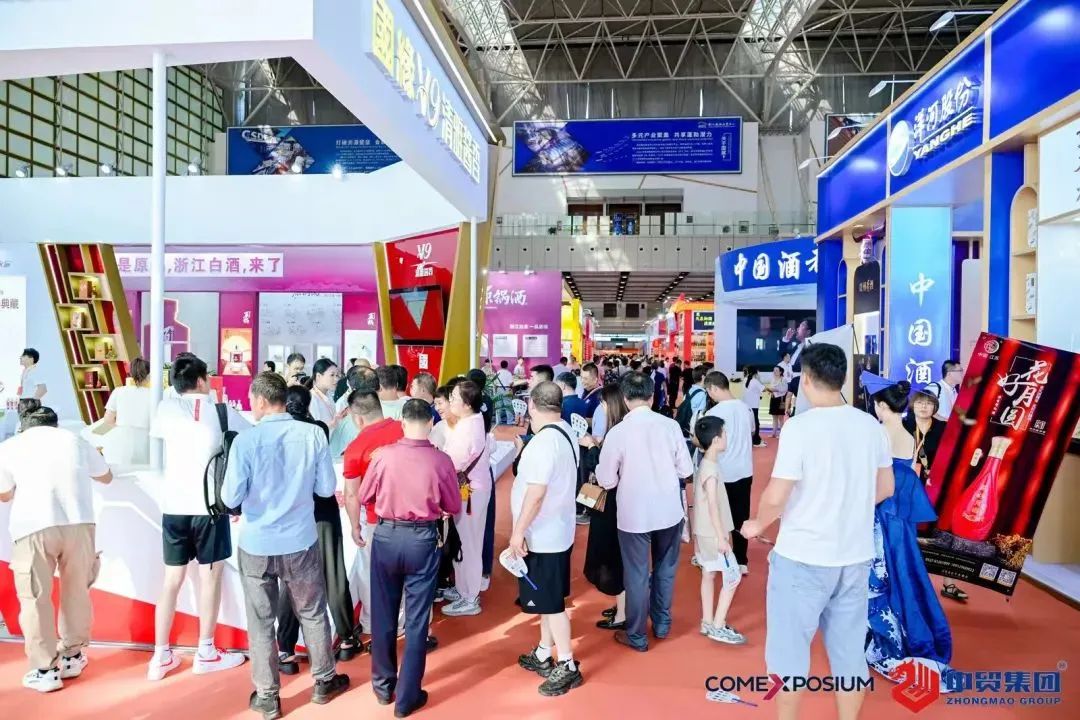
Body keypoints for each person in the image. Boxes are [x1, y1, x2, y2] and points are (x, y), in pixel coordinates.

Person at [740, 344, 894, 720]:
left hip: (802, 557)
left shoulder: (800, 427)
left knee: (789, 654)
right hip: (854, 556)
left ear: (806, 379)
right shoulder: (871, 427)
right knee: (849, 653)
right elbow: (886, 487)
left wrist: (758, 524)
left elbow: (777, 493)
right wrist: (847, 505)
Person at [222, 372, 350, 718]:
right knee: (312, 612)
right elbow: (326, 489)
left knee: (261, 621)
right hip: (300, 540)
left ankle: (267, 697)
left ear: (262, 400)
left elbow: (230, 497)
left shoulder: (245, 441)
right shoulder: (312, 434)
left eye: (252, 399)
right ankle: (324, 680)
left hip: (257, 544)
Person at [147, 355, 248, 681]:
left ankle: (160, 656)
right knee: (210, 579)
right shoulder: (221, 411)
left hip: (174, 508)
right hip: (210, 508)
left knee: (171, 581)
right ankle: (206, 651)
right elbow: (250, 436)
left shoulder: (165, 408)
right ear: (203, 380)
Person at [359, 399, 462, 717]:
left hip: (387, 536)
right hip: (422, 540)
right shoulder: (441, 460)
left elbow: (364, 496)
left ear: (402, 423)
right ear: (431, 424)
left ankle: (382, 686)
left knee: (383, 613)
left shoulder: (383, 456)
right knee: (417, 620)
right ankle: (407, 697)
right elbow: (453, 505)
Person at [0, 407, 112, 692]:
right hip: (79, 523)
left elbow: (4, 493)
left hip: (33, 527)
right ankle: (73, 656)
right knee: (76, 591)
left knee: (35, 597)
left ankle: (45, 671)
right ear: (55, 424)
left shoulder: (11, 446)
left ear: (24, 426)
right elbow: (106, 476)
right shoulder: (76, 440)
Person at [863, 376, 954, 682]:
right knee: (904, 573)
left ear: (880, 405)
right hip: (900, 515)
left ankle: (886, 641)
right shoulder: (908, 434)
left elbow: (879, 482)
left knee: (880, 576)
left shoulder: (878, 434)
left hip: (880, 510)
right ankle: (904, 632)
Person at [596, 372, 694, 652]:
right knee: (665, 569)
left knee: (636, 574)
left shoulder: (618, 433)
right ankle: (662, 624)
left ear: (625, 399)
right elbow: (686, 470)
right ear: (652, 397)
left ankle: (637, 635)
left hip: (634, 514)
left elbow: (606, 480)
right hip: (669, 512)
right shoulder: (670, 426)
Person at [276, 386, 360, 676]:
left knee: (290, 578)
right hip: (321, 509)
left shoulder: (272, 433)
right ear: (308, 404)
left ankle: (286, 649)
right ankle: (346, 638)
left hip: (289, 513)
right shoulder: (318, 430)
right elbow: (325, 483)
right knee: (333, 571)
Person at [512, 382, 584, 696]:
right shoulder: (566, 432)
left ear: (531, 405)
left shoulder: (543, 443)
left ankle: (567, 663)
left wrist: (517, 532)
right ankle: (544, 651)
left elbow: (536, 494)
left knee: (553, 604)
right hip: (558, 530)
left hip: (543, 535)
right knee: (547, 598)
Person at [342, 390, 405, 644]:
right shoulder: (405, 429)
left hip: (376, 519)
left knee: (372, 574)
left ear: (357, 417)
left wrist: (354, 526)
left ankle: (373, 621)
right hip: (412, 518)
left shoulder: (355, 448)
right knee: (405, 572)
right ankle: (402, 621)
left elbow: (351, 494)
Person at [692, 416, 745, 645]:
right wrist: (722, 537)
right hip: (714, 534)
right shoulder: (711, 469)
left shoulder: (705, 463)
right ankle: (718, 625)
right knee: (733, 576)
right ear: (715, 439)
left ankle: (707, 621)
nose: (727, 437)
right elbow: (713, 505)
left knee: (708, 573)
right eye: (724, 433)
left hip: (703, 531)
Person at [441, 381, 492, 617]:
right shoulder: (472, 420)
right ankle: (464, 588)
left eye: (453, 397)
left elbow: (452, 463)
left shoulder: (467, 428)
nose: (450, 401)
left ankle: (470, 597)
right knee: (465, 541)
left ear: (467, 403)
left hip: (469, 492)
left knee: (468, 544)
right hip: (471, 489)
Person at [581, 385, 629, 628]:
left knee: (613, 555)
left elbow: (605, 474)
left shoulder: (616, 433)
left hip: (612, 503)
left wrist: (592, 448)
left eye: (603, 404)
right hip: (621, 501)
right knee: (619, 554)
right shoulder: (624, 430)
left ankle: (623, 614)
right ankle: (622, 607)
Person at [703, 371, 754, 574]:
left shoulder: (714, 413)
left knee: (719, 516)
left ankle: (720, 558)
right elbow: (752, 431)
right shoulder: (745, 408)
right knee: (741, 516)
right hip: (745, 469)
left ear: (714, 388)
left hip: (722, 472)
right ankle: (741, 561)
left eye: (709, 391)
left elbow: (706, 443)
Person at [99, 356, 153, 465]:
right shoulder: (154, 395)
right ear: (149, 374)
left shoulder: (118, 391)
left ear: (130, 373)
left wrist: (124, 429)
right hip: (146, 444)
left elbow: (108, 420)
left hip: (120, 443)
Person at [330, 365, 381, 457]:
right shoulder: (395, 416)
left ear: (352, 389)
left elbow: (333, 454)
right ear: (379, 387)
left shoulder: (346, 422)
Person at [309, 358, 343, 429]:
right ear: (318, 376)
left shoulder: (328, 395)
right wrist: (331, 424)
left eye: (337, 375)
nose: (336, 379)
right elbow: (314, 429)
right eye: (332, 375)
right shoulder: (311, 398)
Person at [742, 366, 766, 448]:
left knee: (749, 424)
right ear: (755, 372)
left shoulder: (745, 380)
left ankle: (753, 440)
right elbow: (764, 389)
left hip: (746, 405)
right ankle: (756, 441)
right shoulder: (755, 381)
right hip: (754, 406)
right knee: (756, 423)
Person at [766, 365, 789, 438]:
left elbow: (785, 389)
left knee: (781, 418)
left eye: (776, 370)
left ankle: (782, 434)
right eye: (774, 370)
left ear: (780, 372)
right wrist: (770, 391)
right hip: (773, 399)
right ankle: (773, 433)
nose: (774, 372)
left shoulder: (783, 379)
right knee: (774, 417)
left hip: (781, 400)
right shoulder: (772, 379)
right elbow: (771, 388)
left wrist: (775, 390)